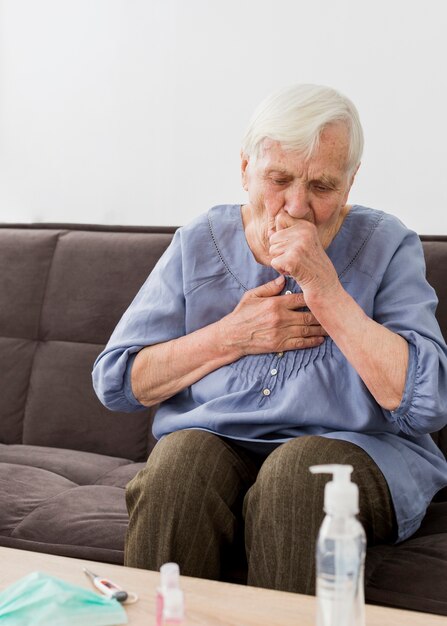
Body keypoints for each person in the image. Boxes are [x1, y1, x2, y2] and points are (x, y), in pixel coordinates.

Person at [92, 84, 447, 594]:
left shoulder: (388, 246)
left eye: (322, 186)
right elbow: (119, 381)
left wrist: (326, 290)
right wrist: (231, 337)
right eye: (279, 179)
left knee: (299, 475)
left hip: (356, 452)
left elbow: (428, 402)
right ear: (245, 169)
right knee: (180, 466)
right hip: (218, 445)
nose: (297, 205)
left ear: (350, 184)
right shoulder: (198, 242)